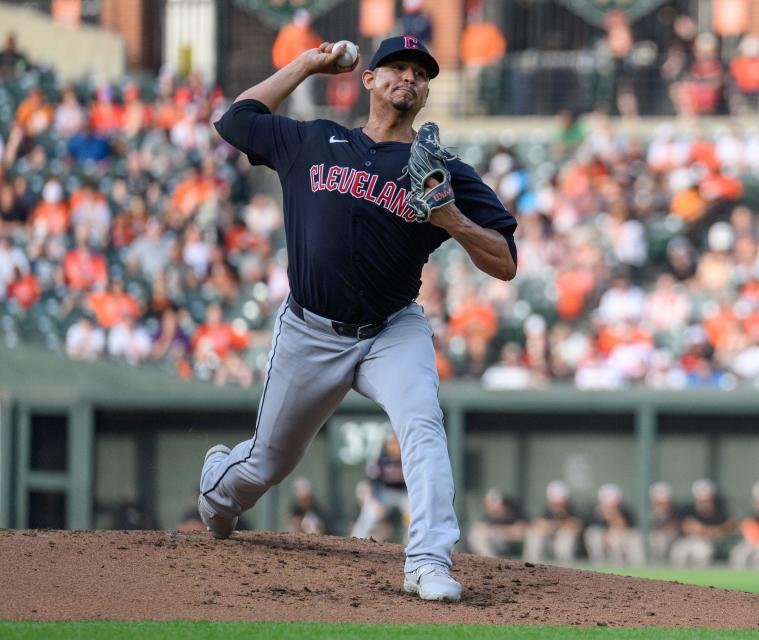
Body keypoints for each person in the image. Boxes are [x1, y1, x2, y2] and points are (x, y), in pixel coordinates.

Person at [198, 35, 517, 603]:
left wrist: (451, 219)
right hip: (309, 330)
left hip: (393, 330)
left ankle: (427, 561)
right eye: (396, 66)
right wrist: (307, 63)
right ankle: (217, 490)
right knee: (267, 463)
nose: (410, 77)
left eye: (421, 73)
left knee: (422, 424)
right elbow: (236, 120)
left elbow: (505, 261)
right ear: (368, 80)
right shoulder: (315, 139)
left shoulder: (440, 168)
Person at [350, 432, 410, 541]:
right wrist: (377, 501)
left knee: (414, 513)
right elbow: (374, 483)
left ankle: (411, 544)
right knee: (371, 509)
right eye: (391, 443)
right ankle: (356, 540)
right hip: (384, 493)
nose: (394, 447)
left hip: (404, 494)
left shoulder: (409, 459)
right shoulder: (380, 460)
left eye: (396, 443)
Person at [669, 479, 734, 567]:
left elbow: (730, 525)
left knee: (703, 553)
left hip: (707, 541)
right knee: (678, 552)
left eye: (707, 499)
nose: (705, 502)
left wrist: (706, 530)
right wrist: (700, 529)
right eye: (702, 499)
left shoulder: (719, 509)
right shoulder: (688, 509)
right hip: (688, 540)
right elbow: (684, 526)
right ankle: (676, 579)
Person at [523, 481, 584, 564]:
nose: (558, 505)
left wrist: (553, 526)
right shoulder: (544, 509)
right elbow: (536, 525)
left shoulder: (574, 509)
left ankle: (566, 570)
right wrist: (554, 527)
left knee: (565, 536)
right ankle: (530, 567)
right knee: (535, 536)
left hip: (564, 546)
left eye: (561, 502)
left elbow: (577, 527)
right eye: (555, 502)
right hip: (548, 542)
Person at [583, 483, 644, 565]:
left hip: (621, 537)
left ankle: (623, 565)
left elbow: (624, 526)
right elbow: (590, 527)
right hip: (603, 537)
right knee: (594, 535)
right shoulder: (594, 512)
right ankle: (598, 564)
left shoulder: (625, 510)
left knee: (620, 537)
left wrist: (613, 515)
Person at [467, 488, 527, 558]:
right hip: (495, 545)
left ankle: (490, 561)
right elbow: (480, 527)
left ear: (500, 503)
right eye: (487, 502)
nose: (488, 505)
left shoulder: (513, 514)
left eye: (492, 502)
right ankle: (489, 560)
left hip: (511, 546)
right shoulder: (489, 517)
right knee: (476, 535)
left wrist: (500, 530)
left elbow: (520, 530)